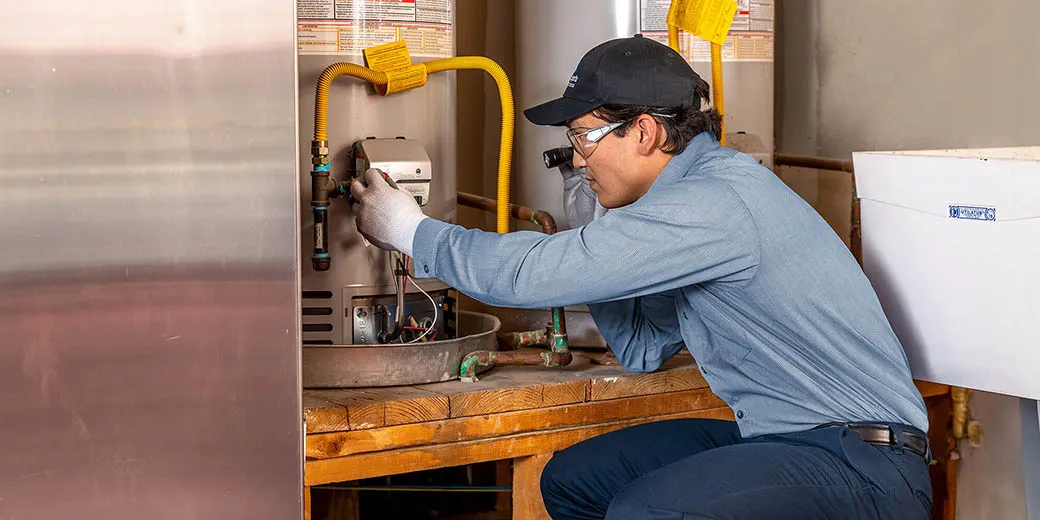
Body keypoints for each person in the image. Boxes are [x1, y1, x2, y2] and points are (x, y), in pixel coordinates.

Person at [350, 35, 932, 520]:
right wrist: (596, 234)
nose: (577, 158)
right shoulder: (685, 198)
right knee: (576, 481)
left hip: (861, 463)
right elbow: (644, 347)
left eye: (583, 137)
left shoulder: (714, 201)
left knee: (647, 512)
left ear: (647, 132)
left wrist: (410, 230)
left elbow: (524, 277)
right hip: (786, 439)